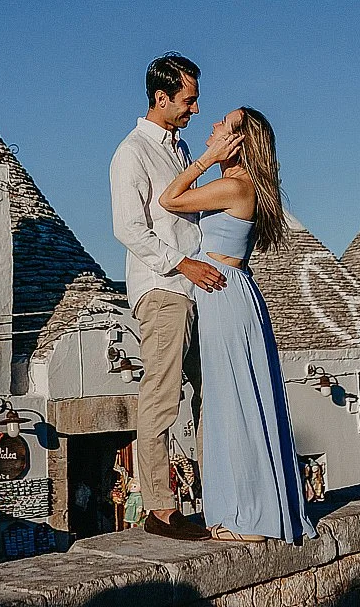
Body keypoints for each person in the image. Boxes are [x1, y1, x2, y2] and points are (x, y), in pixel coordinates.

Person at [159, 106, 317, 544]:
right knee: (234, 399)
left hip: (226, 296)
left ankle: (252, 518)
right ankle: (245, 509)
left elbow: (169, 199)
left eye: (222, 126)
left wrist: (205, 158)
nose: (211, 126)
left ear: (237, 141)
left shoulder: (233, 185)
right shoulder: (239, 186)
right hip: (226, 293)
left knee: (236, 401)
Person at [109, 53, 232, 541]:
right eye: (189, 99)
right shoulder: (132, 152)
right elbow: (128, 228)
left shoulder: (179, 153)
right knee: (161, 397)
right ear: (161, 98)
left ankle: (218, 495)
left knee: (212, 394)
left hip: (196, 288)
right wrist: (183, 265)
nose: (195, 108)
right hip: (163, 289)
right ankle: (160, 509)